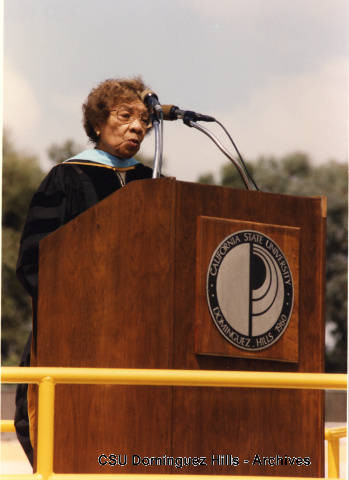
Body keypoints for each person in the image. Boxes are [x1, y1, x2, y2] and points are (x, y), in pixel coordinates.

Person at [14, 77, 154, 465]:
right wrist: (76, 313)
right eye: (125, 116)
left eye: (144, 119)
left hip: (142, 338)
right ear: (97, 123)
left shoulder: (151, 185)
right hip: (75, 332)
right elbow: (32, 261)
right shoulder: (67, 177)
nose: (138, 127)